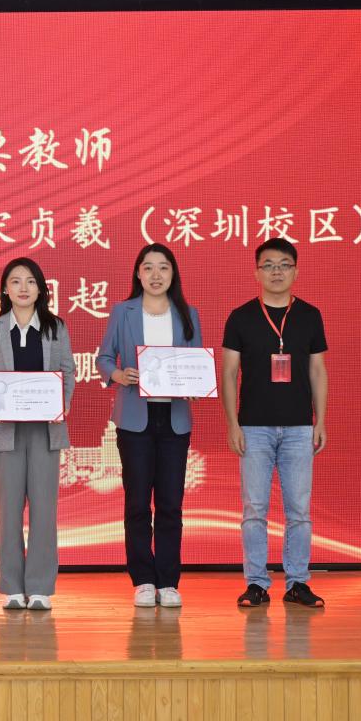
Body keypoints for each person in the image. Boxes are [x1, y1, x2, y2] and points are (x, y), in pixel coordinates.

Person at [221, 237, 328, 608]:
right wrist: (232, 423)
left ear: (295, 271)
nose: (276, 272)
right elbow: (229, 372)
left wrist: (320, 420)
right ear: (257, 272)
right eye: (268, 265)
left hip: (299, 427)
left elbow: (318, 370)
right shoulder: (241, 316)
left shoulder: (310, 315)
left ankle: (298, 583)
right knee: (254, 510)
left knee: (299, 511)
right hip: (254, 427)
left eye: (284, 265)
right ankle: (256, 583)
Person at [97, 244, 203, 609]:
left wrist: (197, 384)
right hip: (134, 418)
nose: (156, 275)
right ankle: (143, 579)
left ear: (173, 274)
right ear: (138, 273)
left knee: (171, 503)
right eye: (148, 267)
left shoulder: (188, 313)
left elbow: (196, 362)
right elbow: (104, 357)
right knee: (138, 502)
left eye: (163, 268)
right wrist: (116, 374)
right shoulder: (123, 312)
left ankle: (168, 581)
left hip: (174, 419)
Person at [0, 257, 74, 611]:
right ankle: (12, 587)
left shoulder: (56, 327)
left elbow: (67, 372)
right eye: (15, 281)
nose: (23, 288)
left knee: (44, 510)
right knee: (9, 510)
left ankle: (41, 587)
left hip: (46, 431)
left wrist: (59, 405)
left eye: (30, 281)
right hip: (6, 432)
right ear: (5, 289)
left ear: (41, 289)